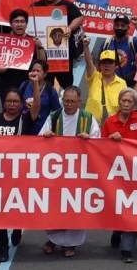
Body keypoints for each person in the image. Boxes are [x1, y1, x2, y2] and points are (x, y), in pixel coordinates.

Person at [38, 87, 98, 257]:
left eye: (72, 101)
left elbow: (98, 142)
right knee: (56, 207)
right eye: (66, 101)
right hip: (57, 171)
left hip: (79, 171)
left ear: (80, 102)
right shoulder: (54, 116)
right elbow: (39, 139)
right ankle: (54, 239)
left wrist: (89, 139)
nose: (69, 104)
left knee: (75, 206)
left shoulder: (88, 118)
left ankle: (71, 244)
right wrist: (46, 136)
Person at [102, 88, 137, 262]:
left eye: (130, 101)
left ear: (135, 105)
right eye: (124, 100)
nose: (126, 104)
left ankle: (127, 249)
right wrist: (109, 140)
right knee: (119, 206)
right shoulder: (109, 121)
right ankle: (117, 229)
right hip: (115, 172)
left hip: (136, 173)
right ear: (119, 102)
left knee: (133, 208)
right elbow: (100, 148)